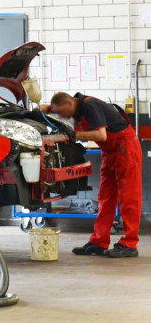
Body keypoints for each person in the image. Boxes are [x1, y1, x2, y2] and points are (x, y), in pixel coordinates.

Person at [44, 92, 142, 258]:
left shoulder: (89, 105)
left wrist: (76, 135)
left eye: (61, 112)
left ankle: (130, 244)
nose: (61, 116)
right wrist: (46, 109)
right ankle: (99, 241)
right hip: (110, 151)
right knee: (105, 197)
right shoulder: (77, 107)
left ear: (69, 104)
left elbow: (101, 135)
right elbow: (58, 107)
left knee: (129, 197)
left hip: (125, 147)